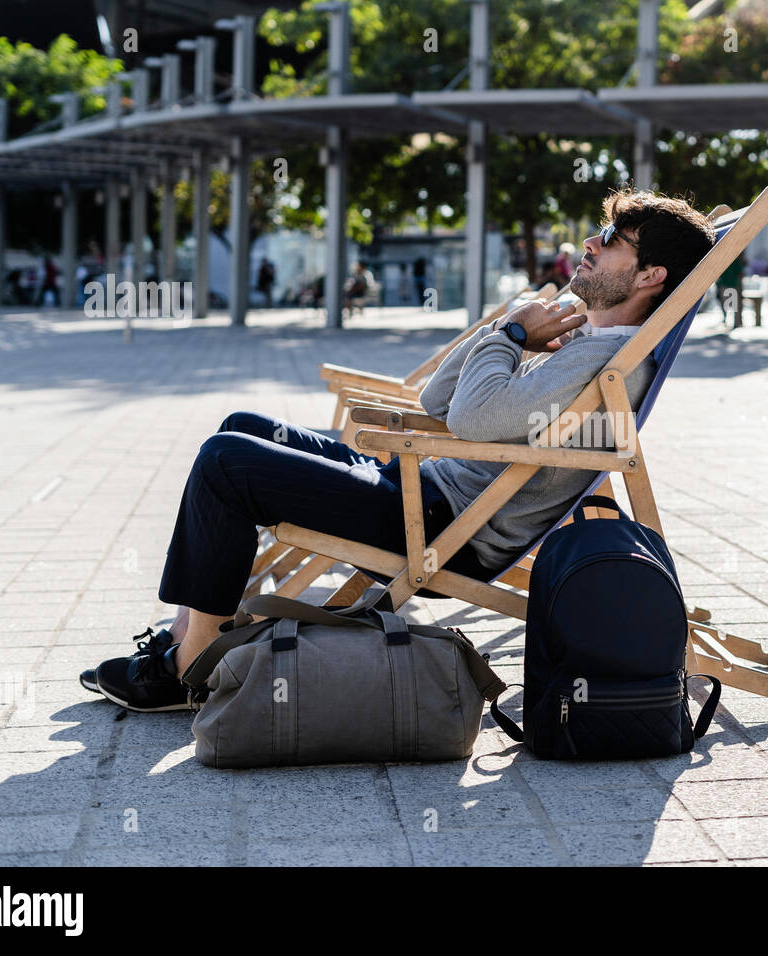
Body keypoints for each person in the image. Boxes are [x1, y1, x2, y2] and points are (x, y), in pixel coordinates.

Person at [77, 189, 717, 711]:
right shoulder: (587, 342)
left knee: (226, 463)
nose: (589, 243)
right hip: (422, 489)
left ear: (650, 274)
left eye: (610, 241)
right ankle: (191, 634)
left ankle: (188, 667)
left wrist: (515, 333)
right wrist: (506, 334)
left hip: (442, 526)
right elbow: (442, 401)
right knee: (242, 425)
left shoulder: (604, 360)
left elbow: (467, 415)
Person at [718, 251, 745, 328]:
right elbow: (740, 273)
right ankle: (735, 322)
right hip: (733, 284)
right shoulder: (736, 260)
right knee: (734, 305)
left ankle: (725, 319)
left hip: (724, 284)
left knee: (724, 304)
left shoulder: (723, 260)